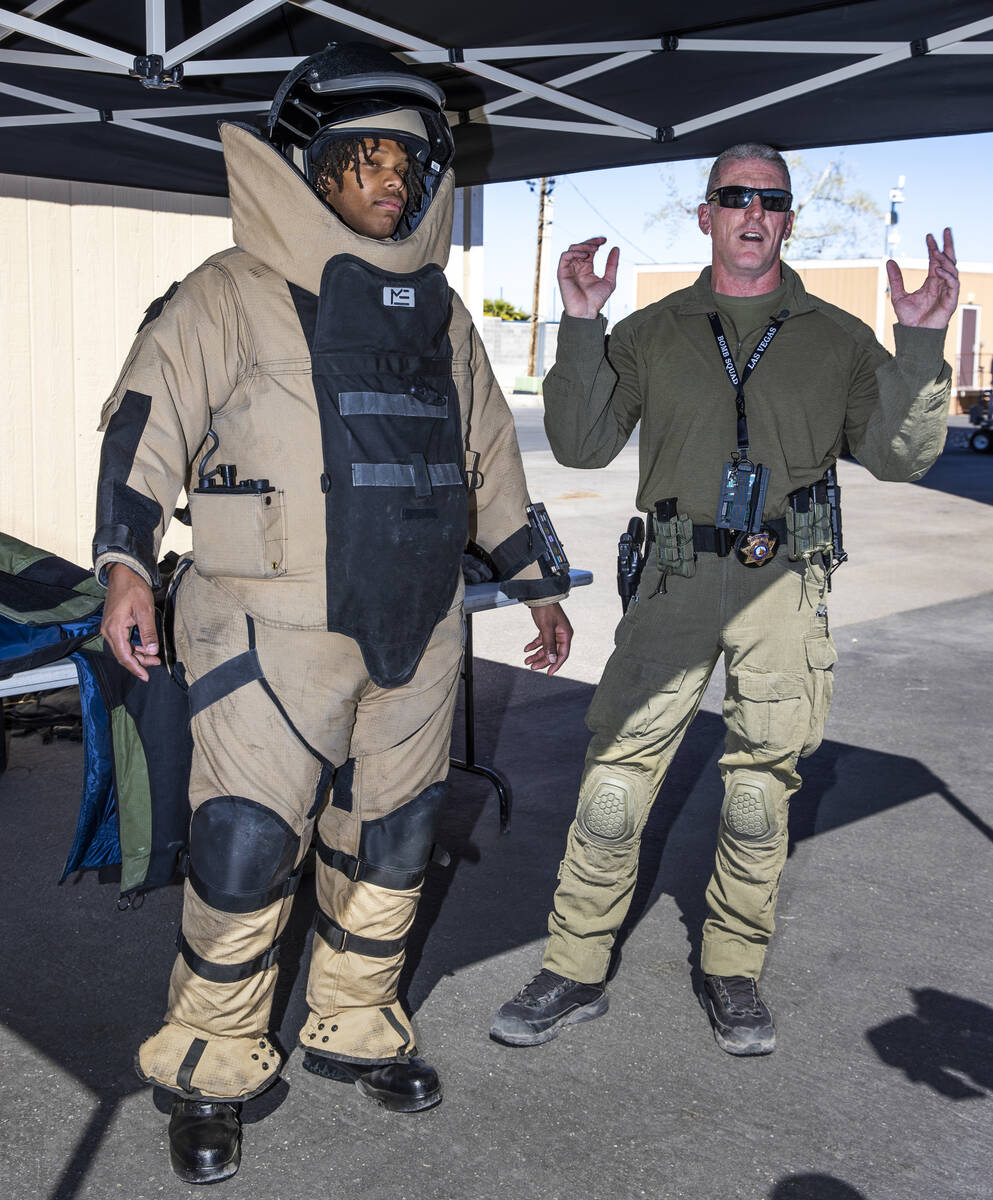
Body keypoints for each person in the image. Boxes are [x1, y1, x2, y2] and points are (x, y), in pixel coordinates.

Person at [94, 43, 572, 1185]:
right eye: (367, 158)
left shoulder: (441, 317)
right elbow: (143, 424)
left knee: (396, 843)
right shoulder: (230, 292)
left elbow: (487, 452)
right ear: (310, 166)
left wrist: (536, 580)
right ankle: (211, 1059)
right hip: (267, 632)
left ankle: (354, 1019)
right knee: (246, 847)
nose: (393, 181)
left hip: (418, 627)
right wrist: (122, 560)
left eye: (408, 160)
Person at [491, 143, 958, 1059]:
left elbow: (904, 457)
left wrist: (918, 344)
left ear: (788, 218)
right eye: (733, 196)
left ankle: (733, 967)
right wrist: (581, 322)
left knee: (757, 792)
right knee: (614, 787)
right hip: (671, 580)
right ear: (703, 214)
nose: (752, 212)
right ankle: (574, 968)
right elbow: (582, 447)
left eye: (770, 199)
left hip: (784, 586)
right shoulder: (652, 330)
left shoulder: (837, 338)